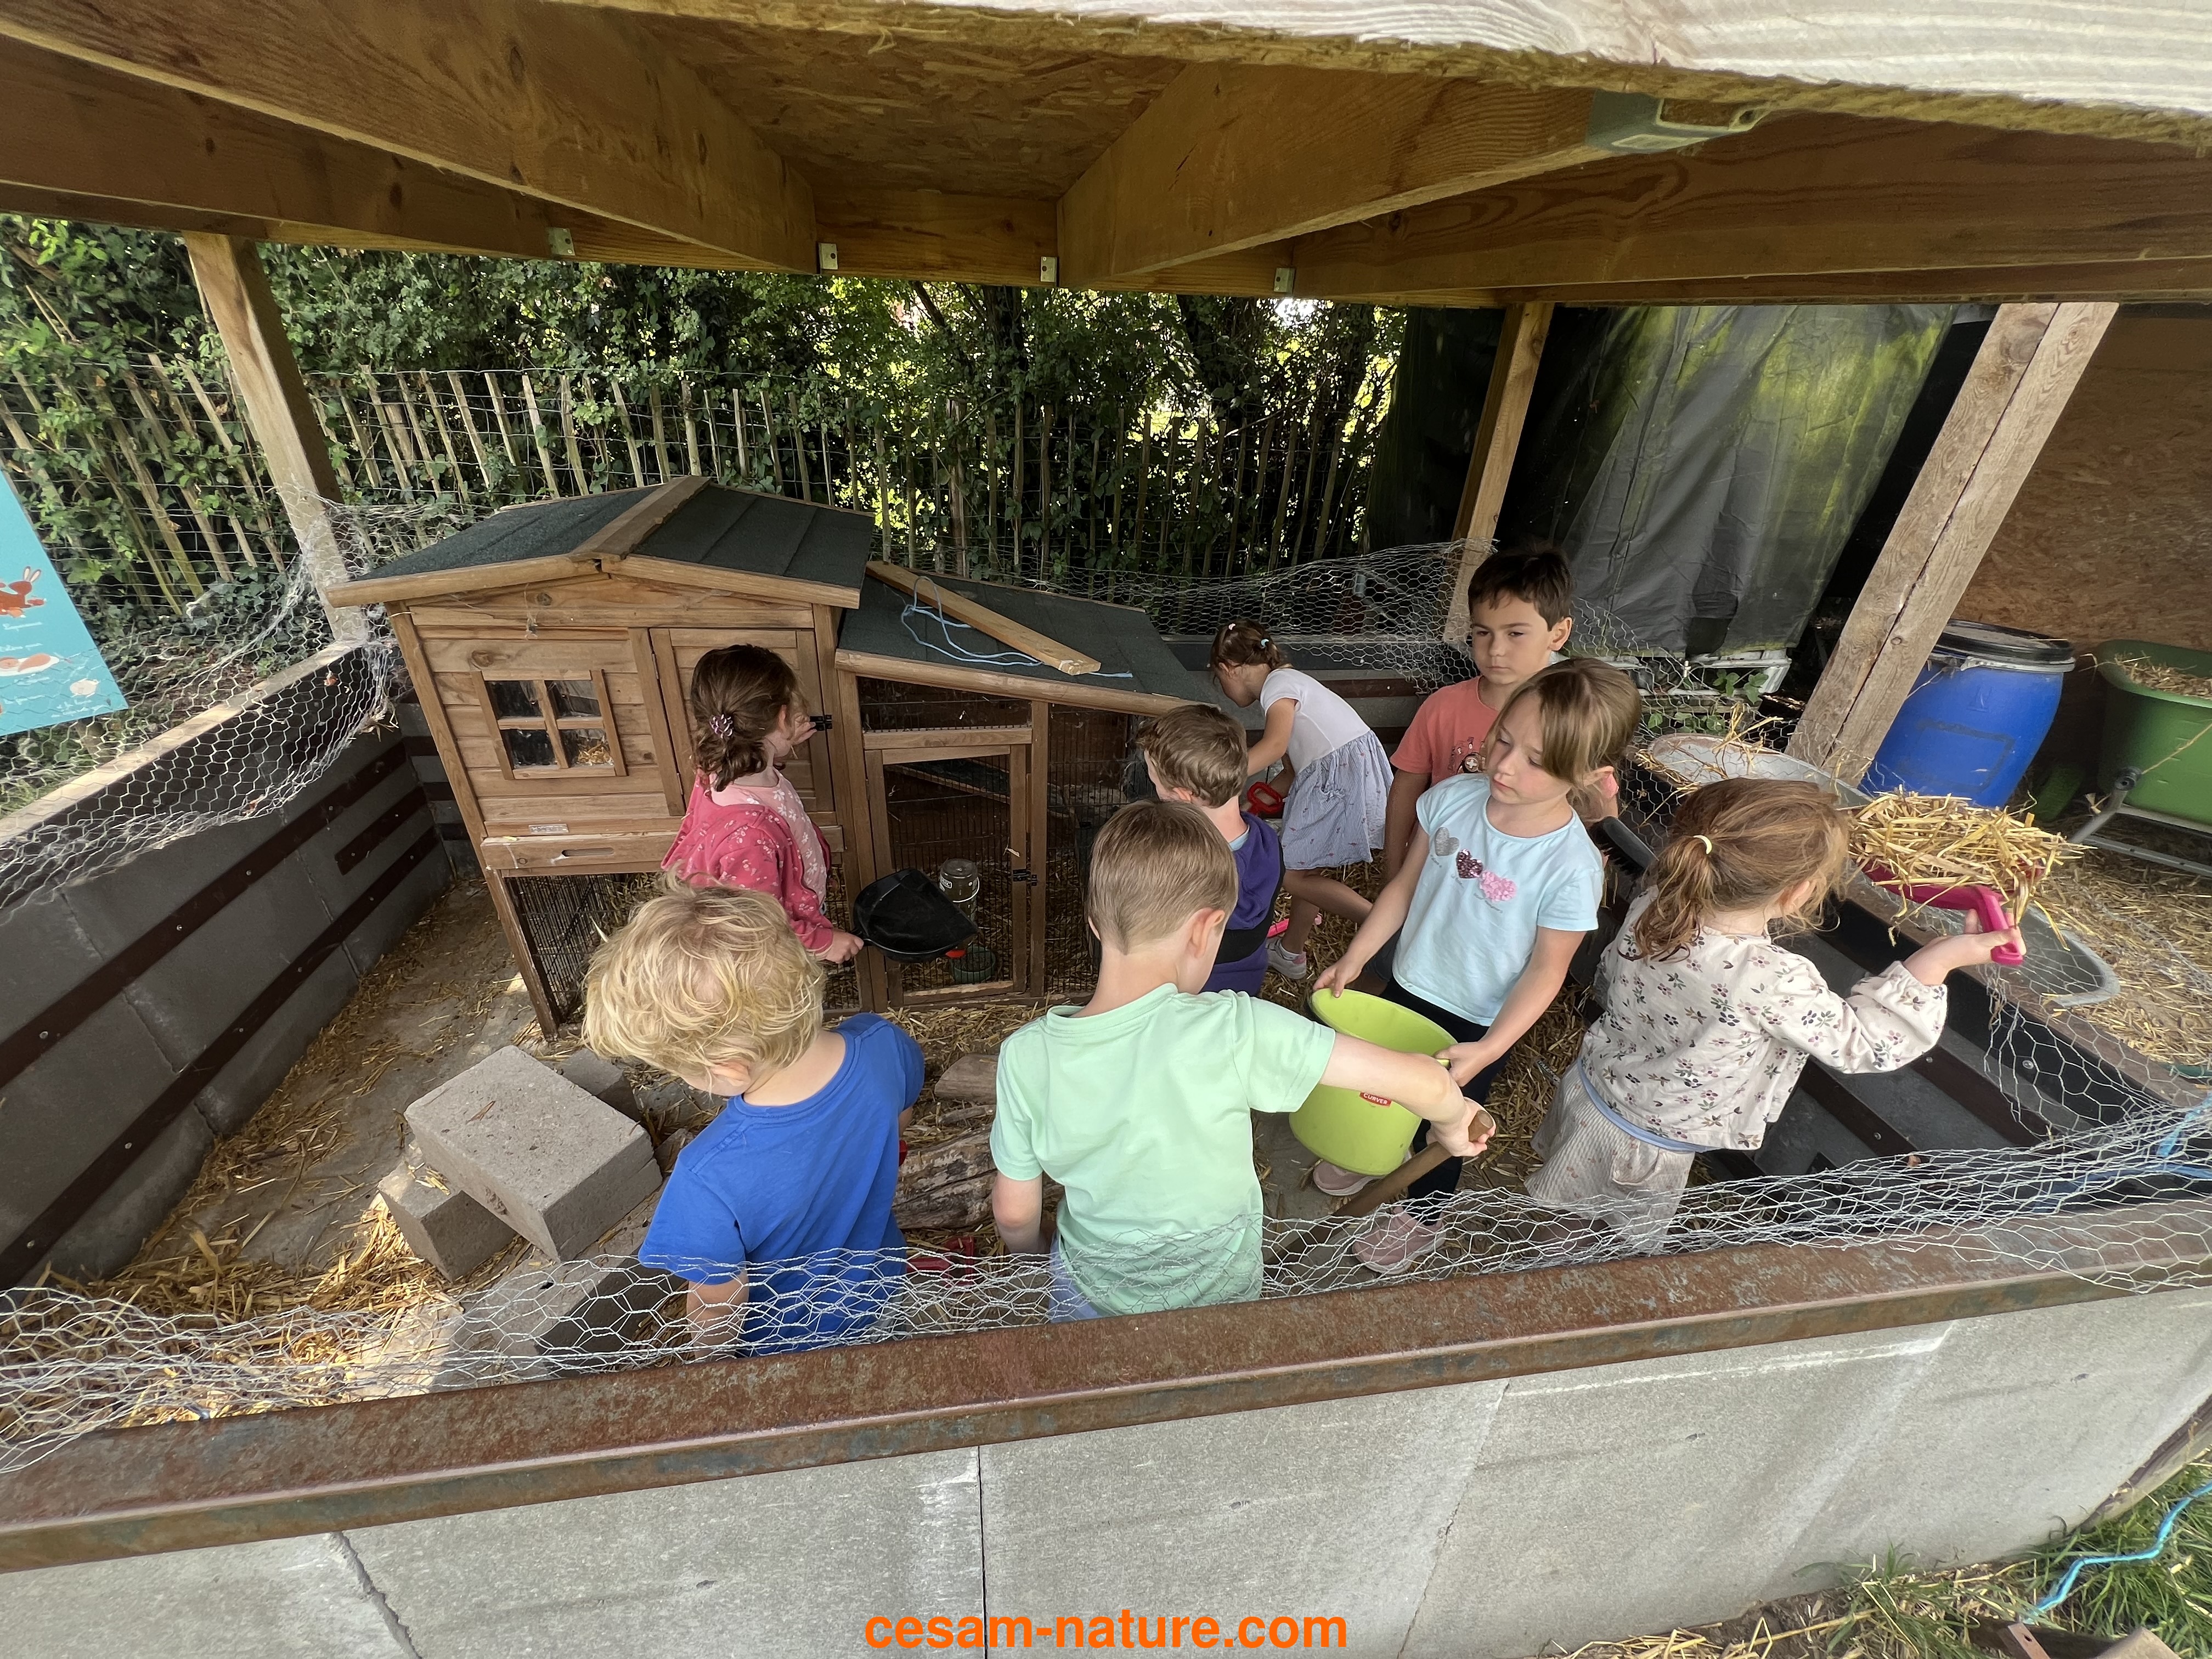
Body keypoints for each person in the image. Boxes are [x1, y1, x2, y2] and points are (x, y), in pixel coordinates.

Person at [988, 800, 1488, 1319]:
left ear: (1095, 923)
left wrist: (1038, 1257)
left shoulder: (1026, 1056)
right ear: (1206, 929)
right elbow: (1423, 1080)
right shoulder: (1233, 1029)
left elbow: (1014, 1214)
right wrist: (1453, 1123)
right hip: (1219, 1305)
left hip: (1087, 1297)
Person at [1527, 777, 2022, 1245]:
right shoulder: (1768, 976)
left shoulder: (1660, 901)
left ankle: (1541, 1255)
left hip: (1596, 1087)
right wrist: (1939, 959)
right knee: (1594, 1241)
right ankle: (1554, 1285)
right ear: (1797, 893)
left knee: (1563, 1206)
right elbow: (1867, 1043)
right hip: (1647, 1143)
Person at [1315, 657, 1644, 1267]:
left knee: (1446, 1120)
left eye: (1536, 760)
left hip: (1476, 1018)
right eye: (1504, 740)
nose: (1505, 765)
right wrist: (1358, 956)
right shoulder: (1452, 800)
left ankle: (1424, 1215)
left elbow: (1547, 970)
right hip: (1411, 978)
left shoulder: (1570, 866)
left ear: (1589, 775)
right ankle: (1371, 1153)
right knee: (1381, 1082)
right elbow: (1403, 888)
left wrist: (1493, 1046)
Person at [582, 882, 921, 1351]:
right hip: (884, 1292)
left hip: (788, 1350)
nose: (685, 1081)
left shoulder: (706, 1175)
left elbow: (717, 1305)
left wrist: (711, 1366)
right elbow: (898, 1124)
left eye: (681, 1070)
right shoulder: (883, 1042)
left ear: (728, 1068)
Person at [1207, 620, 1393, 983]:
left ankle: (1385, 925)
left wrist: (1217, 778)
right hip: (1341, 773)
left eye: (1219, 679)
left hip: (1340, 776)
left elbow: (1274, 746)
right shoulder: (1289, 684)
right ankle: (1291, 953)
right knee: (1308, 872)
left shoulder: (1277, 685)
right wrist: (1250, 805)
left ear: (1229, 668)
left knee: (1291, 876)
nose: (1225, 689)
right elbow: (1291, 770)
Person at [1384, 544, 1576, 883]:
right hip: (1435, 873)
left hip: (1517, 885)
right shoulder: (1443, 706)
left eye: (1515, 633)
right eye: (1483, 632)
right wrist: (1393, 868)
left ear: (1558, 634)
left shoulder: (1574, 719)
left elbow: (1598, 806)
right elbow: (1406, 787)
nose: (1496, 649)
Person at [662, 643, 862, 963]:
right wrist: (822, 943)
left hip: (794, 894)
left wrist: (778, 745)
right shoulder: (750, 837)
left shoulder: (720, 766)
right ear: (783, 717)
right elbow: (759, 922)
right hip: (779, 948)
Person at [1137, 703, 1284, 994]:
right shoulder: (1267, 840)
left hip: (1186, 989)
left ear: (1182, 796)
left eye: (1156, 783)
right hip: (1244, 983)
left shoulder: (1183, 864)